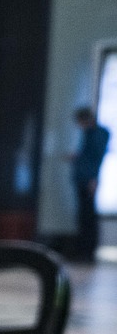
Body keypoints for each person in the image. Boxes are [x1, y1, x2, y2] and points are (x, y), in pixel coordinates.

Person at [69, 106, 110, 262]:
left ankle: (87, 252)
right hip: (83, 178)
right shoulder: (89, 133)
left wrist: (93, 179)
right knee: (83, 215)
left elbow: (97, 158)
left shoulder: (99, 134)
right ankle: (83, 251)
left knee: (87, 217)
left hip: (88, 180)